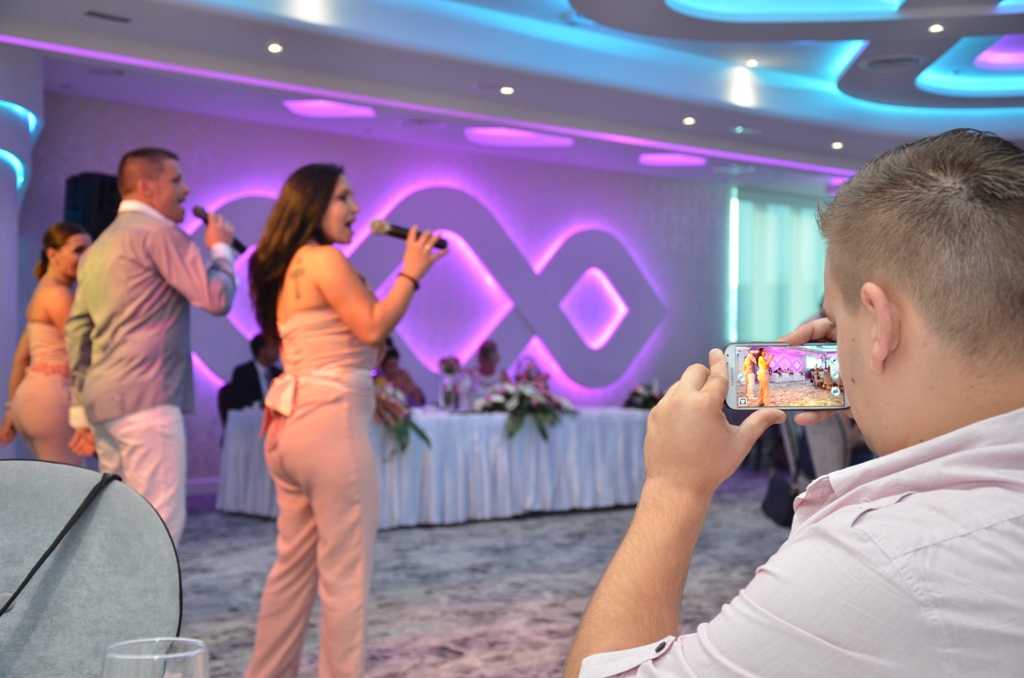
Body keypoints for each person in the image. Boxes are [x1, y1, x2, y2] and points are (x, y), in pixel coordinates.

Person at [564, 129, 1024, 678]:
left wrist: (674, 486)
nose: (831, 349)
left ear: (880, 324)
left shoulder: (877, 560)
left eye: (836, 323)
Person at [246, 163, 445, 678]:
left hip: (289, 424)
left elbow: (325, 350)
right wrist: (410, 273)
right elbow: (372, 326)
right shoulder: (324, 259)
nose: (355, 208)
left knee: (291, 571)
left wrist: (366, 389)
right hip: (329, 427)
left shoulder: (286, 266)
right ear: (312, 205)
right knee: (345, 578)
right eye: (343, 197)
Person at [65, 147, 236, 544]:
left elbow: (77, 331)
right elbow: (216, 298)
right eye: (176, 181)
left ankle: (119, 588)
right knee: (159, 527)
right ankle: (150, 590)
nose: (185, 189)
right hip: (148, 400)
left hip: (103, 402)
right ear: (146, 187)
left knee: (120, 523)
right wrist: (220, 250)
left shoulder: (97, 248)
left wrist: (80, 410)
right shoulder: (159, 234)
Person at [1, 222, 91, 465]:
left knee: (61, 482)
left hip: (31, 402)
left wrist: (11, 409)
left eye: (89, 251)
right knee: (72, 484)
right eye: (79, 250)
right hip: (52, 400)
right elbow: (85, 351)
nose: (87, 258)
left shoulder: (44, 292)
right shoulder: (58, 294)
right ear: (53, 255)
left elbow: (21, 358)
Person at [218, 333, 282, 423]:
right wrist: (262, 406)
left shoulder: (278, 374)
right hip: (252, 423)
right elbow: (241, 402)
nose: (278, 349)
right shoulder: (243, 372)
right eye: (274, 346)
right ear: (262, 350)